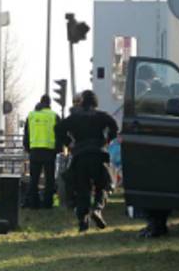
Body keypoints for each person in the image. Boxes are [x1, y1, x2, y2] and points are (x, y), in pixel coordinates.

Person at [57, 90, 119, 231]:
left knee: (82, 188)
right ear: (95, 102)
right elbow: (114, 126)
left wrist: (69, 143)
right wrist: (107, 140)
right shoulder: (101, 116)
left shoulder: (75, 117)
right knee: (103, 185)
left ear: (82, 102)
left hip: (80, 156)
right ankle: (97, 209)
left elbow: (58, 128)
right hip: (98, 154)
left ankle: (83, 221)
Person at [23, 95, 60, 209]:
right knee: (49, 179)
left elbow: (26, 135)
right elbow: (59, 135)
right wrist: (57, 150)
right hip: (49, 152)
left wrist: (29, 148)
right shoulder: (54, 116)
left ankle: (34, 204)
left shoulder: (31, 116)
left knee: (34, 179)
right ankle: (48, 203)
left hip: (34, 151)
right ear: (49, 104)